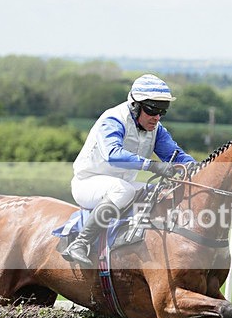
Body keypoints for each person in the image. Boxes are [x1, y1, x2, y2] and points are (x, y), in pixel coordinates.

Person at [61, 74, 197, 267]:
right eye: (152, 110)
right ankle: (80, 243)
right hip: (88, 182)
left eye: (162, 112)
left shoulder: (156, 129)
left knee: (160, 193)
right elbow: (113, 154)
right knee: (123, 190)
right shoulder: (113, 119)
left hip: (122, 184)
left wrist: (198, 167)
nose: (157, 117)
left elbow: (176, 155)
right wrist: (153, 165)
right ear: (136, 105)